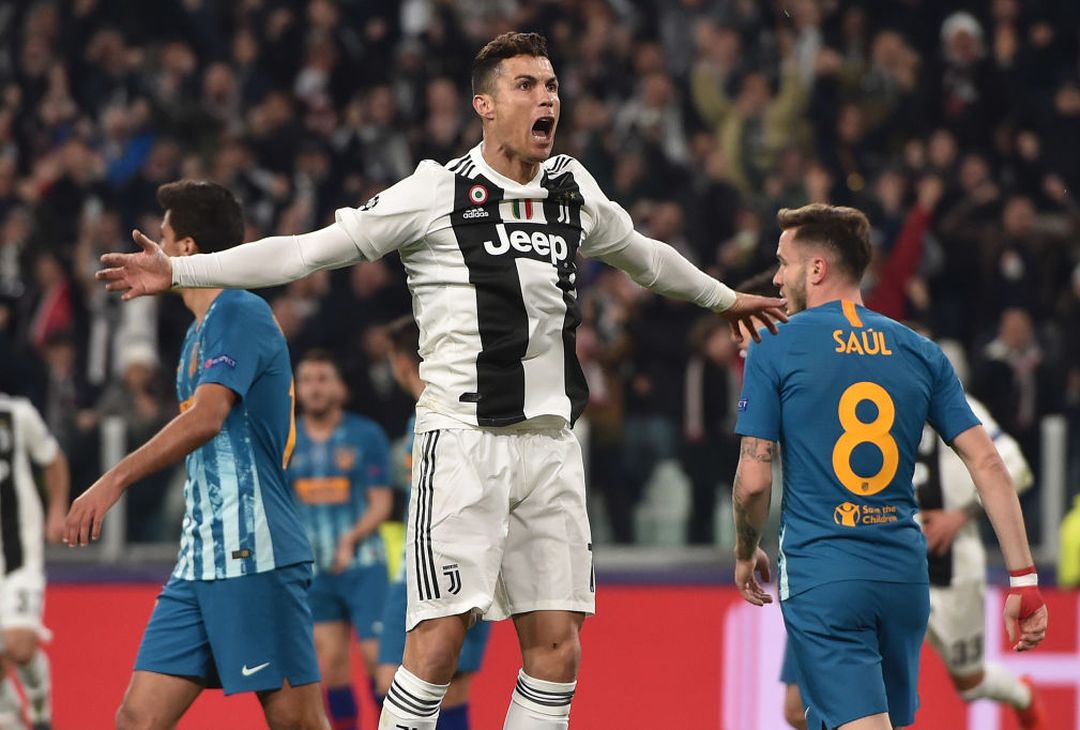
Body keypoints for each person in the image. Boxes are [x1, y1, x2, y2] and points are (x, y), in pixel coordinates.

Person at [95, 33, 787, 730]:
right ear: (484, 105)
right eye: (526, 85)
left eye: (551, 85)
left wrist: (723, 299)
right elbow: (304, 253)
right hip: (463, 442)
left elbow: (644, 256)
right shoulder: (436, 191)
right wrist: (181, 271)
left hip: (551, 446)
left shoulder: (571, 186)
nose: (546, 97)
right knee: (438, 644)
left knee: (557, 648)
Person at [731, 203, 1047, 730]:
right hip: (904, 576)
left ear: (817, 269)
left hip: (824, 573)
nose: (778, 278)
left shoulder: (775, 348)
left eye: (783, 263)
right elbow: (988, 462)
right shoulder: (920, 351)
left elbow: (754, 478)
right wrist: (1025, 579)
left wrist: (745, 550)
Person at [64, 180, 328, 730]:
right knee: (137, 719)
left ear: (184, 250)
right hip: (199, 561)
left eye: (158, 238)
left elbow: (208, 418)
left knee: (298, 724)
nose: (148, 253)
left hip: (255, 553)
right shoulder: (197, 332)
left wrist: (114, 479)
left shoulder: (239, 309)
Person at [779, 388, 1048, 729]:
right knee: (810, 704)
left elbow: (1014, 468)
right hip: (867, 565)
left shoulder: (950, 399)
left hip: (948, 572)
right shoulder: (851, 395)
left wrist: (960, 516)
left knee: (971, 683)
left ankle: (1022, 696)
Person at [376, 315, 491, 730]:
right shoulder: (424, 417)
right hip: (416, 569)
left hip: (450, 566)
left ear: (400, 362)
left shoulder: (454, 417)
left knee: (441, 685)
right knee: (395, 681)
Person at [289, 349, 393, 730]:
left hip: (364, 565)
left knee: (376, 660)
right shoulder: (288, 438)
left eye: (323, 379)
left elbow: (381, 502)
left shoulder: (366, 435)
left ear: (340, 387)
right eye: (307, 380)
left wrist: (351, 538)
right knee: (330, 663)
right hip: (315, 573)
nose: (315, 388)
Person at [0, 389, 69, 730]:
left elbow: (53, 458)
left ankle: (40, 704)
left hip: (20, 551)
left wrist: (57, 510)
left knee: (19, 645)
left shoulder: (16, 413)